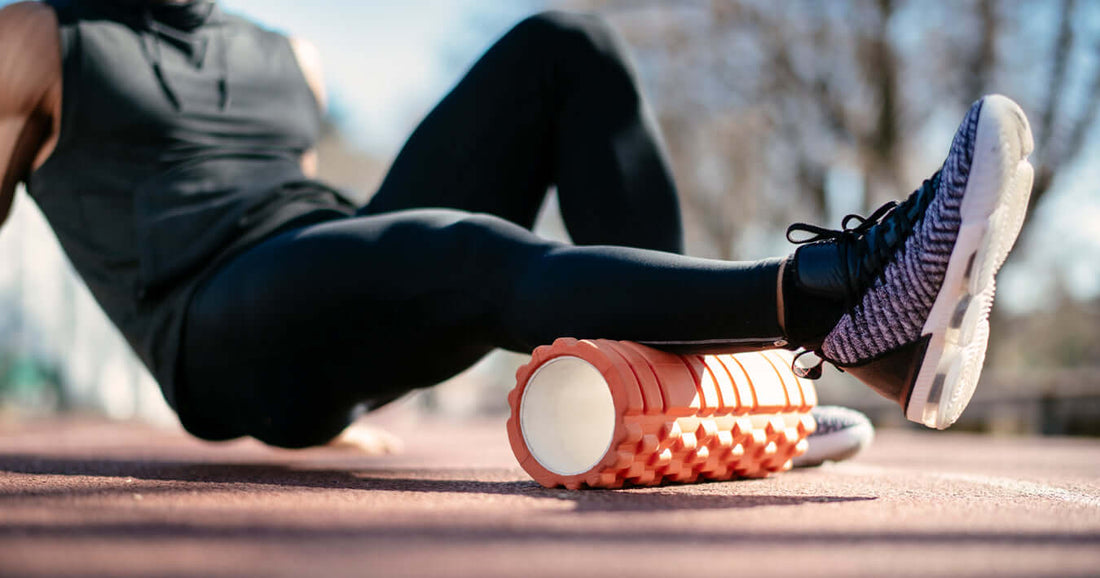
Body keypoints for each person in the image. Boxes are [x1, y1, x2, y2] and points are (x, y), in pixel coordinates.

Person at [0, 0, 1033, 450]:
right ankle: (831, 296)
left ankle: (698, 394)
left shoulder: (286, 56)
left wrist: (344, 382)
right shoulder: (39, 38)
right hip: (211, 328)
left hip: (320, 279)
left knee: (563, 45)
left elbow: (325, 240)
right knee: (453, 247)